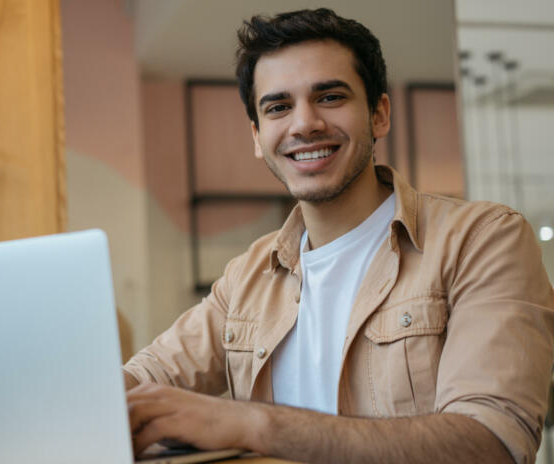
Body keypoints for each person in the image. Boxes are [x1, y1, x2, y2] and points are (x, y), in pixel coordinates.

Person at [123, 8, 554, 464]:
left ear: (379, 114)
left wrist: (251, 424)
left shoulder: (483, 240)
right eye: (278, 107)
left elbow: (491, 444)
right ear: (257, 135)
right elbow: (145, 378)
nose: (304, 123)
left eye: (329, 97)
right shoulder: (247, 276)